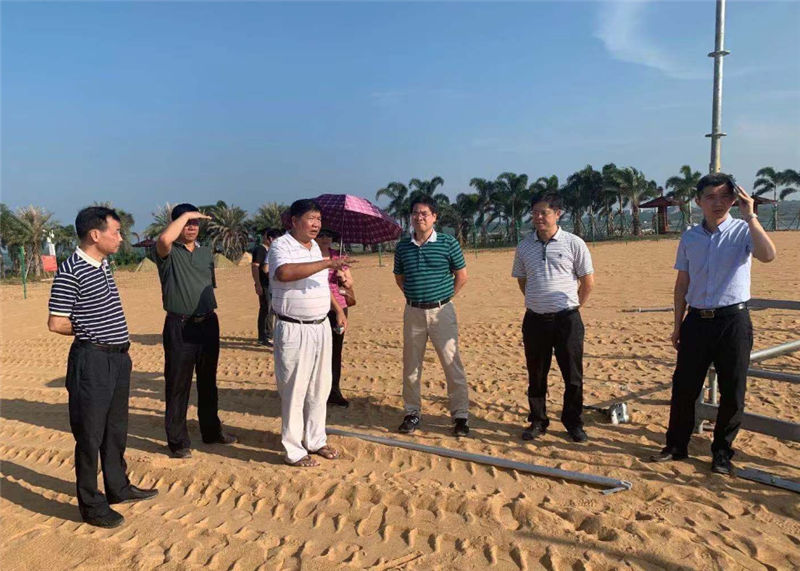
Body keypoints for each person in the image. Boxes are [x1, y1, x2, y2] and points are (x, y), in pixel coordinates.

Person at [650, 173, 776, 475]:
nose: (717, 203)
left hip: (733, 320)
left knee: (733, 390)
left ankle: (721, 452)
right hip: (696, 320)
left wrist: (751, 216)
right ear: (698, 201)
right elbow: (682, 283)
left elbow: (768, 255)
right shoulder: (690, 237)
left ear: (734, 200)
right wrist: (678, 324)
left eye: (724, 197)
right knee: (684, 387)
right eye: (710, 196)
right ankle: (676, 445)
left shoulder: (743, 231)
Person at [48, 206, 158, 528]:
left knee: (115, 429)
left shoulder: (103, 264)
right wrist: (90, 331)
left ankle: (118, 487)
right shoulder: (71, 270)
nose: (121, 238)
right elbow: (56, 322)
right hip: (92, 360)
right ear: (95, 235)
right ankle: (91, 504)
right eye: (116, 232)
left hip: (118, 359)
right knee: (90, 436)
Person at [269, 199, 352, 467]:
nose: (316, 224)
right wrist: (326, 264)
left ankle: (315, 439)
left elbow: (320, 285)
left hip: (320, 326)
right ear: (294, 221)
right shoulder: (281, 245)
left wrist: (337, 309)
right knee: (294, 389)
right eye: (311, 219)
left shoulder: (315, 247)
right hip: (294, 327)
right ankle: (293, 449)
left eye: (319, 219)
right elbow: (284, 273)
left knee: (320, 387)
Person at [154, 203, 237, 459]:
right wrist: (188, 214)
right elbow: (164, 239)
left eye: (195, 222)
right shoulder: (167, 252)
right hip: (180, 325)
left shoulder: (205, 252)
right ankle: (177, 441)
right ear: (175, 224)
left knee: (208, 382)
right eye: (186, 222)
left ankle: (211, 431)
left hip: (208, 323)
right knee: (178, 384)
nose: (191, 226)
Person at [511, 192, 594, 443]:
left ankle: (573, 422)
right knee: (536, 374)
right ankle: (538, 420)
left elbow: (587, 281)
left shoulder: (574, 243)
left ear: (558, 213)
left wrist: (573, 306)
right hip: (535, 320)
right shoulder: (524, 246)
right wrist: (538, 301)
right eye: (534, 212)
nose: (538, 217)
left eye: (544, 212)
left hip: (567, 320)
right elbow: (523, 280)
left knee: (573, 375)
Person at [393, 195, 470, 437]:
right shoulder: (403, 247)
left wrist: (444, 298)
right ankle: (412, 412)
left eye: (424, 213)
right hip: (413, 312)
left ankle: (460, 416)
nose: (419, 217)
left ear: (434, 217)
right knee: (411, 365)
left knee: (451, 363)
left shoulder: (448, 242)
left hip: (442, 312)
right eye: (415, 213)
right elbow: (400, 278)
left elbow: (462, 276)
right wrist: (415, 296)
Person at [316, 228, 355, 407]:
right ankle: (317, 391)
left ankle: (334, 390)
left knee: (335, 350)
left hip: (339, 308)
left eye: (328, 235)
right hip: (317, 308)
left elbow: (350, 282)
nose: (325, 239)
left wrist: (343, 278)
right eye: (321, 235)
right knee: (317, 350)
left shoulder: (338, 256)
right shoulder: (311, 257)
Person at [252, 228, 282, 347]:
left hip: (271, 285)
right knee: (266, 310)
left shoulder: (270, 250)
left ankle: (267, 335)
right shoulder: (260, 249)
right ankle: (264, 336)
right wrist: (258, 284)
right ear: (269, 238)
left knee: (270, 310)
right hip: (264, 285)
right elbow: (255, 267)